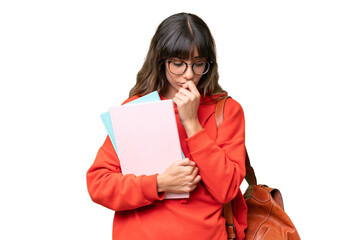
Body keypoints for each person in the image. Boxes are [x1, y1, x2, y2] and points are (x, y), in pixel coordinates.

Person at [86, 12, 247, 240]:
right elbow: (99, 184)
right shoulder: (135, 108)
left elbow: (227, 189)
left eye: (199, 64)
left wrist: (192, 123)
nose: (189, 75)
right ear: (161, 61)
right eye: (179, 64)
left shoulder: (226, 111)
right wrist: (160, 183)